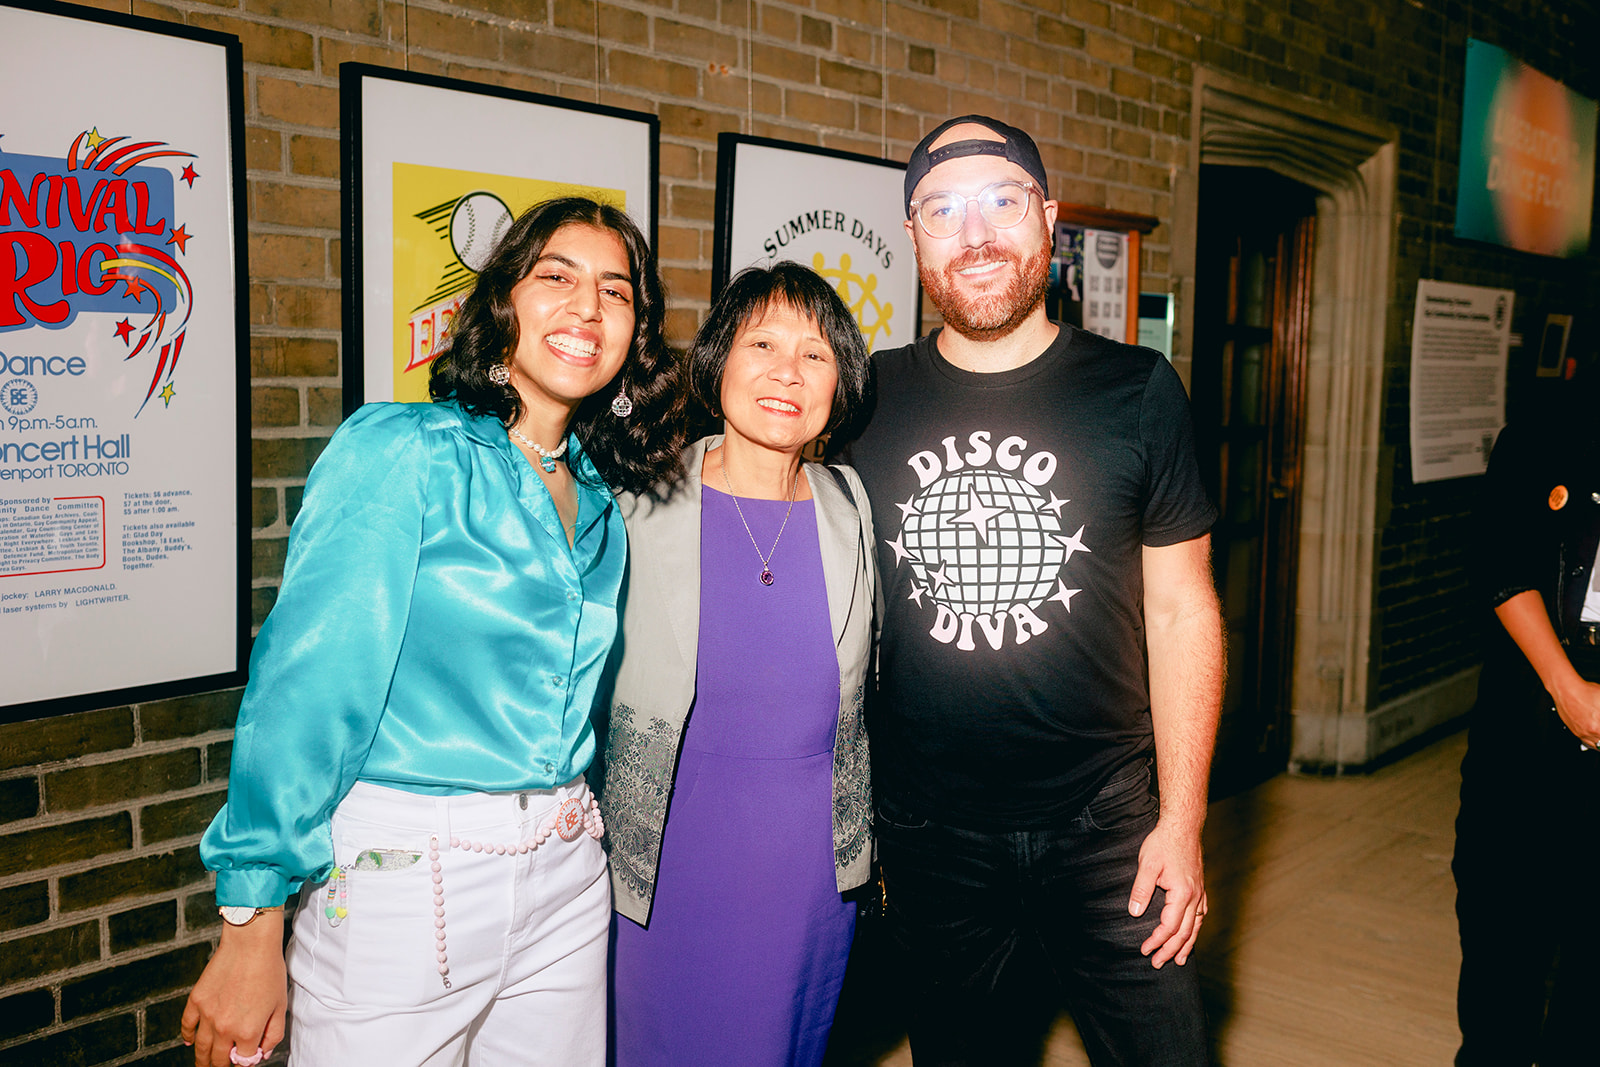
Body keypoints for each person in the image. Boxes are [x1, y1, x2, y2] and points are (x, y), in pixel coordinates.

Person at [179, 196, 686, 1067]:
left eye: (616, 291)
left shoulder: (601, 493)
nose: (588, 309)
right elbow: (305, 691)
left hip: (568, 866)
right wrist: (251, 919)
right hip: (409, 873)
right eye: (556, 277)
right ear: (502, 301)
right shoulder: (404, 450)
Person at [837, 115, 1223, 1065]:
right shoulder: (862, 400)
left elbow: (1183, 610)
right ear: (913, 235)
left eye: (1001, 202)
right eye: (942, 210)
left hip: (1110, 829)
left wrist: (1183, 821)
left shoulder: (1139, 390)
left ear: (1048, 219)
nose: (974, 235)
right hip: (928, 836)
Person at [595, 262, 877, 1066]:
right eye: (763, 344)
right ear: (718, 360)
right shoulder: (636, 502)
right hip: (664, 877)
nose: (788, 371)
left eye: (815, 354)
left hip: (809, 887)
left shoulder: (852, 504)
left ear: (840, 383)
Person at [1451, 380, 1600, 1067]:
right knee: (1500, 948)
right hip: (1527, 731)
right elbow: (1500, 555)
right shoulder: (1553, 421)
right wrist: (1567, 687)